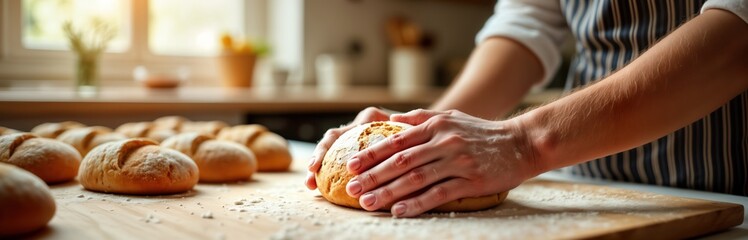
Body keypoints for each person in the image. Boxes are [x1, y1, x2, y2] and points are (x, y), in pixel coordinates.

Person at [306, 0, 748, 218]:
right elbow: (525, 25)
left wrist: (524, 143)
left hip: (726, 190)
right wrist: (416, 138)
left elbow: (735, 39)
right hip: (589, 197)